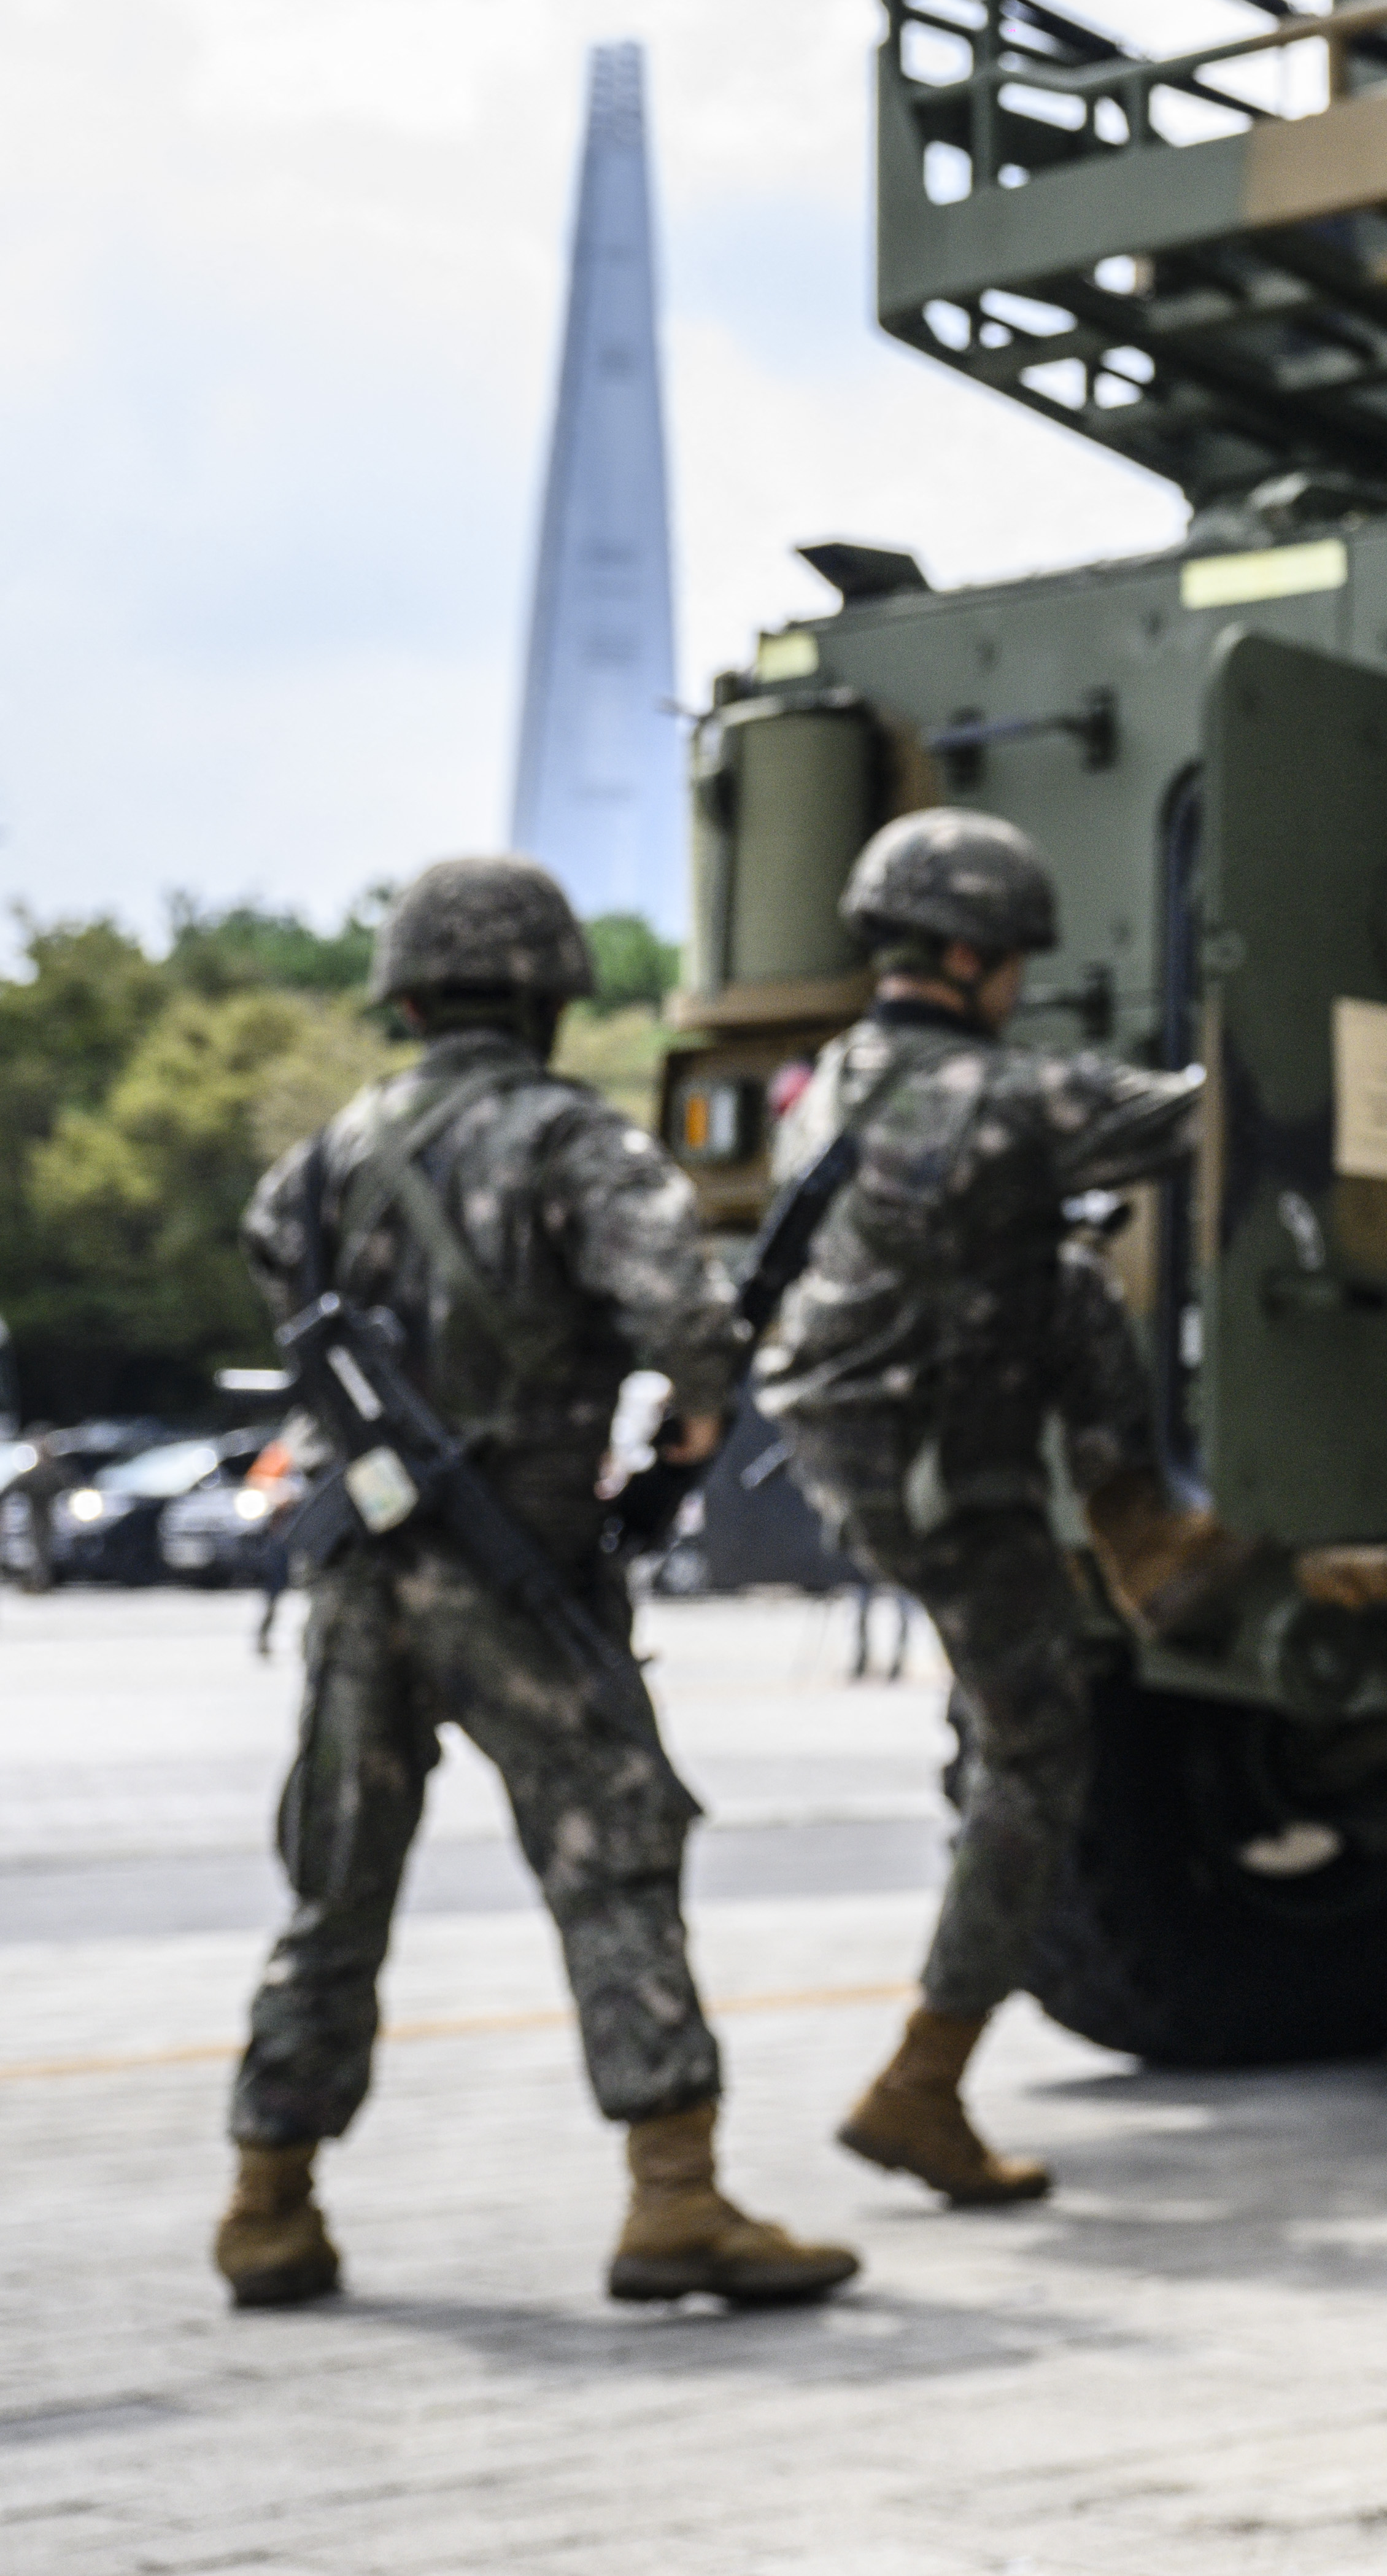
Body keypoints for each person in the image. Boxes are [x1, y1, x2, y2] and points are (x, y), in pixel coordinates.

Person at [218, 856, 857, 2313]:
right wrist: (690, 1414)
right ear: (549, 996)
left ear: (407, 996)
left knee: (336, 1883)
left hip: (358, 1564)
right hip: (514, 1571)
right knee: (615, 1853)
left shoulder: (314, 1164)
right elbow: (684, 1320)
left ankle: (268, 2201)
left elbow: (292, 1303)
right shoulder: (570, 1138)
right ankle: (675, 2197)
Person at [758, 807, 1228, 2207]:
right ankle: (923, 2082)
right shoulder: (993, 1095)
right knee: (1036, 1752)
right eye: (1014, 959)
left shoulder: (823, 1086)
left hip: (847, 1448)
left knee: (1063, 1269)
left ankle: (1133, 1528)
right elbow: (1190, 1117)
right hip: (941, 1468)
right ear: (969, 960)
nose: (1021, 983)